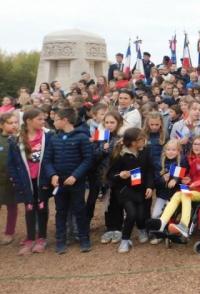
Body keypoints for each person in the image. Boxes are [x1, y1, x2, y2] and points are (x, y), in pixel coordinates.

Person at [42, 107, 93, 254]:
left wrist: (75, 176)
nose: (53, 121)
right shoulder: (54, 138)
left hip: (76, 182)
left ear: (65, 120)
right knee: (61, 211)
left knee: (79, 209)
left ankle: (84, 239)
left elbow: (88, 159)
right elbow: (47, 160)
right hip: (59, 182)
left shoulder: (82, 137)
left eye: (56, 119)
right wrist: (53, 175)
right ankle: (60, 240)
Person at [151, 135, 200, 239]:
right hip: (191, 188)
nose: (196, 146)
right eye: (195, 144)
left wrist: (196, 183)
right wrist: (187, 178)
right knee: (177, 194)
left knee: (184, 194)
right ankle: (162, 223)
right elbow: (187, 173)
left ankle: (184, 225)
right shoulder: (190, 158)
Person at [8, 108, 52, 254]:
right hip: (26, 181)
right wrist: (17, 181)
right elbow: (12, 164)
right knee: (29, 208)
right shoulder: (16, 140)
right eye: (39, 119)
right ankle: (30, 238)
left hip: (42, 180)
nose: (42, 121)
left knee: (42, 207)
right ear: (28, 121)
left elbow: (52, 157)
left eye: (43, 119)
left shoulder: (48, 136)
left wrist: (51, 176)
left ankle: (42, 238)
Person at [106, 127, 154, 253]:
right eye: (141, 139)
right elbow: (110, 175)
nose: (145, 141)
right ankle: (125, 240)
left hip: (141, 189)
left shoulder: (145, 151)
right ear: (133, 142)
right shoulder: (120, 155)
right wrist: (120, 175)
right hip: (125, 191)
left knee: (141, 215)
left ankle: (142, 228)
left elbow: (149, 171)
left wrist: (149, 186)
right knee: (131, 214)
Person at [150, 139, 184, 244]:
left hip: (175, 196)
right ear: (164, 151)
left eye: (174, 150)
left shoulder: (180, 162)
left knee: (170, 214)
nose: (171, 152)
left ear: (178, 151)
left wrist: (175, 179)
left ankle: (171, 232)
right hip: (162, 195)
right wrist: (162, 179)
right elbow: (155, 182)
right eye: (168, 149)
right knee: (155, 215)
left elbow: (181, 177)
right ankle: (158, 234)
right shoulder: (159, 164)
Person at [99, 111, 125, 245]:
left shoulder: (122, 138)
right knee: (107, 203)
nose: (109, 125)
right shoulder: (102, 137)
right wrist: (102, 150)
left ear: (118, 123)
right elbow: (95, 155)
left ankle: (118, 228)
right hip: (104, 176)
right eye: (107, 122)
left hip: (118, 176)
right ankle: (109, 228)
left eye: (112, 122)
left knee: (117, 201)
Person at [0, 112, 19, 246]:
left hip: (12, 179)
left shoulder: (19, 139)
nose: (13, 125)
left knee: (12, 206)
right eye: (10, 123)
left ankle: (9, 232)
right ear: (2, 125)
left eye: (15, 122)